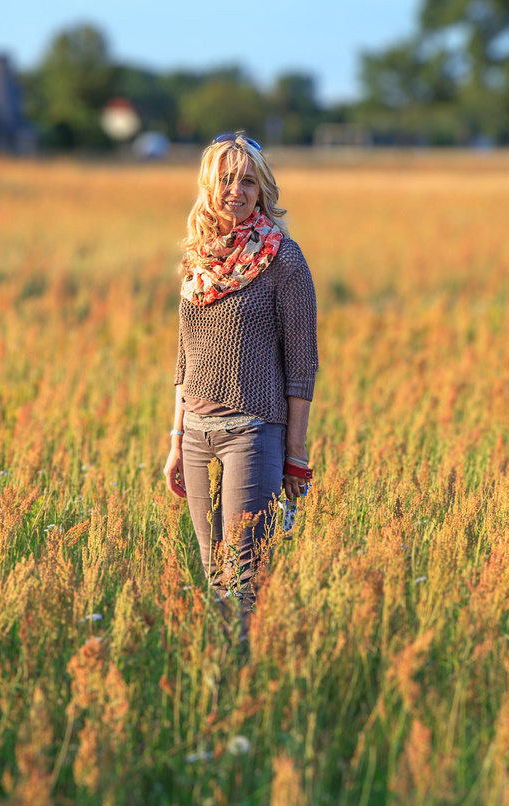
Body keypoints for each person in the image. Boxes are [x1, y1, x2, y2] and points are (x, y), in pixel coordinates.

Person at [162, 132, 318, 641]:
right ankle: (220, 681)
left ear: (263, 190)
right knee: (214, 576)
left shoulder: (284, 260)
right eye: (226, 179)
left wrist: (295, 454)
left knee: (244, 576)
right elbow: (185, 358)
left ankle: (248, 681)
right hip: (196, 434)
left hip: (253, 431)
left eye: (248, 181)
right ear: (209, 187)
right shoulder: (197, 260)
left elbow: (301, 366)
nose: (236, 190)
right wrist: (175, 442)